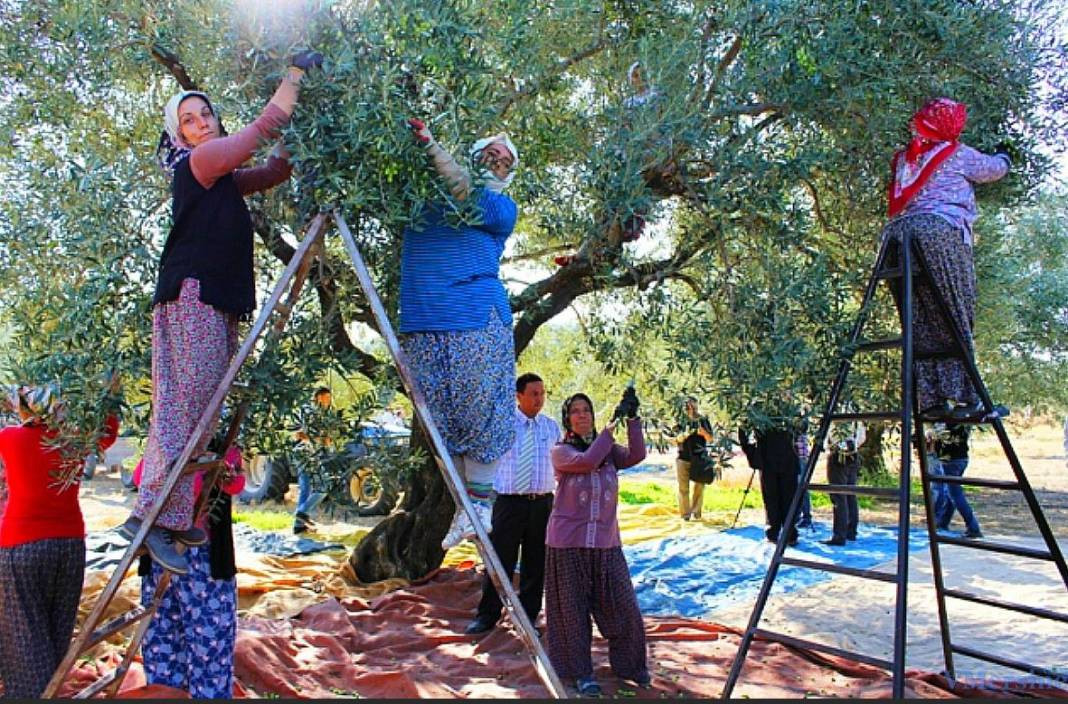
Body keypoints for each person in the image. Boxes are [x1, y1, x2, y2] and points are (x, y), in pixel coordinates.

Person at [119, 51, 322, 574]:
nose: (201, 122)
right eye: (189, 120)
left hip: (216, 301)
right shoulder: (200, 164)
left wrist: (302, 122)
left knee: (200, 413)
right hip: (193, 298)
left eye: (205, 114)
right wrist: (293, 79)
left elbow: (277, 166)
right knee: (184, 410)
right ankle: (150, 518)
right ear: (179, 136)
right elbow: (262, 129)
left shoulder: (225, 179)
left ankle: (172, 512)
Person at [404, 118, 520, 549]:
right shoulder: (426, 198)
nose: (497, 160)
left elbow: (464, 193)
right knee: (440, 421)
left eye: (505, 160)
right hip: (421, 317)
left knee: (480, 410)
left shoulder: (498, 207)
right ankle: (465, 509)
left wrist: (430, 144)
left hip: (473, 315)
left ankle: (480, 506)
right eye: (491, 152)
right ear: (473, 154)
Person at [883, 97, 1010, 422]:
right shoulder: (957, 153)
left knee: (918, 319)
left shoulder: (903, 159)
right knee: (956, 311)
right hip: (938, 233)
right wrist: (1005, 154)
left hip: (895, 237)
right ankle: (969, 399)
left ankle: (930, 399)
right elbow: (994, 171)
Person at [0, 385, 118, 697]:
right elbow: (108, 431)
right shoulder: (73, 441)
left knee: (24, 635)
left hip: (21, 547)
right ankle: (51, 690)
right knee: (56, 631)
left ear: (27, 410)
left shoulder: (10, 438)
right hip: (69, 546)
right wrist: (110, 391)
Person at [544, 390, 651, 696]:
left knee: (623, 605)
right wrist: (613, 423)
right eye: (575, 411)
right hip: (567, 544)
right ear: (567, 419)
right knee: (571, 612)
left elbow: (636, 455)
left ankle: (632, 667)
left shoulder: (608, 450)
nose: (582, 415)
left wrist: (632, 419)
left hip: (605, 542)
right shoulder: (561, 451)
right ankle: (580, 674)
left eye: (586, 410)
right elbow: (588, 461)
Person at [136, 439, 246, 697]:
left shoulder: (222, 446)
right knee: (162, 645)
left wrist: (213, 466)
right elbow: (140, 476)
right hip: (162, 558)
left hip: (204, 561)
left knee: (209, 649)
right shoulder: (165, 442)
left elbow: (235, 483)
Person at [466, 373, 560, 635]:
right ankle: (487, 614)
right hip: (509, 503)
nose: (539, 399)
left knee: (536, 562)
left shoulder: (550, 427)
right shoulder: (504, 426)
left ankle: (528, 618)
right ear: (518, 396)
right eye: (533, 394)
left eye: (542, 393)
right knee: (501, 559)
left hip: (542, 504)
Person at [739, 425, 801, 546]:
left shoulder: (785, 415)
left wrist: (749, 450)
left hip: (778, 461)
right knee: (776, 499)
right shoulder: (762, 413)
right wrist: (749, 450)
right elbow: (744, 430)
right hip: (772, 461)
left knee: (781, 499)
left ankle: (786, 533)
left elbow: (801, 428)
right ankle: (781, 533)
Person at [293, 387, 340, 535]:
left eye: (329, 398)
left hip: (311, 454)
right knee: (324, 486)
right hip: (305, 453)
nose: (328, 401)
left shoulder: (325, 415)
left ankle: (298, 526)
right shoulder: (309, 411)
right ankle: (301, 513)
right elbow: (298, 435)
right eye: (326, 397)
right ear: (318, 397)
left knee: (306, 489)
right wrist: (321, 440)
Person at [822, 420, 866, 546]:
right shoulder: (855, 410)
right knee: (851, 494)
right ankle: (851, 531)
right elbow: (862, 436)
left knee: (839, 496)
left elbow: (830, 434)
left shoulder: (837, 413)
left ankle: (839, 535)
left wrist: (833, 446)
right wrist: (853, 445)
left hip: (838, 455)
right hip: (853, 454)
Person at [933, 423, 981, 538]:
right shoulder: (961, 418)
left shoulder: (947, 419)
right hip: (961, 458)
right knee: (950, 492)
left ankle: (973, 527)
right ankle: (942, 522)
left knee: (954, 493)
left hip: (951, 460)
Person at [673, 397, 713, 520]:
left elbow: (710, 438)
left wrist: (703, 433)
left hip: (700, 458)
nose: (691, 408)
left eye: (693, 405)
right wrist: (681, 437)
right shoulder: (680, 420)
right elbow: (673, 439)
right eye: (688, 405)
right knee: (683, 488)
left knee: (699, 487)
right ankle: (685, 515)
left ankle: (696, 513)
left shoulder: (703, 420)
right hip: (683, 458)